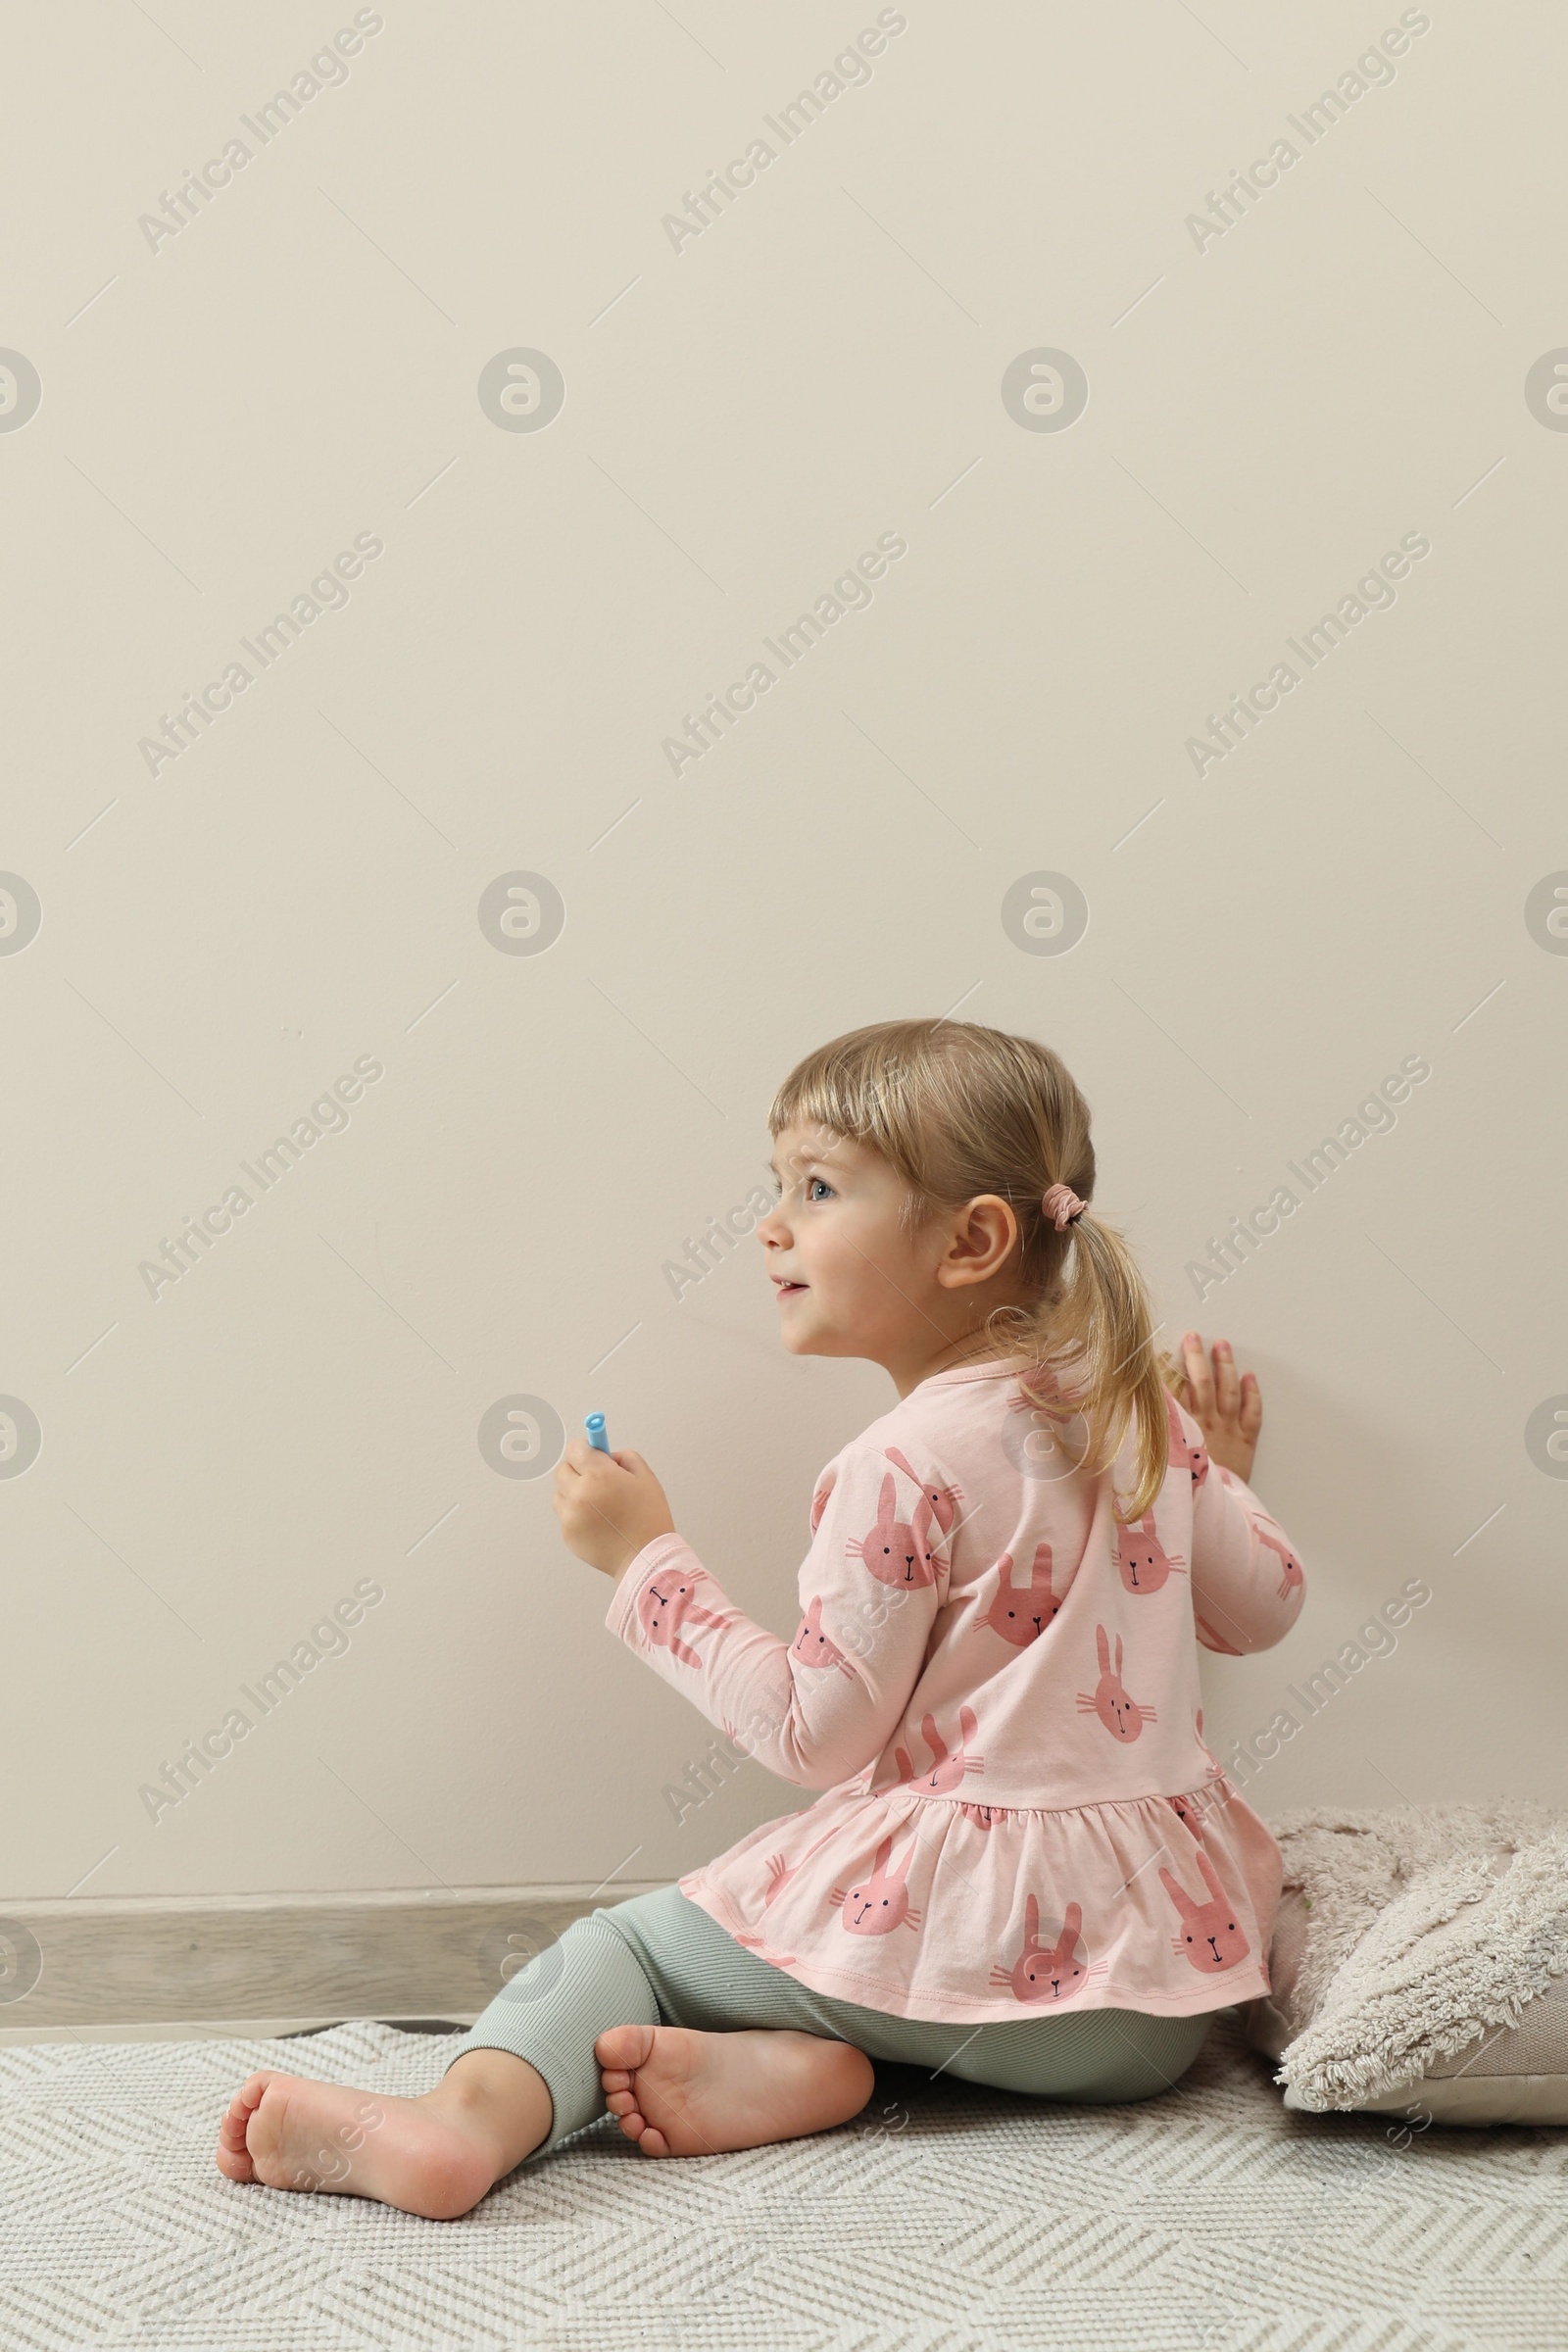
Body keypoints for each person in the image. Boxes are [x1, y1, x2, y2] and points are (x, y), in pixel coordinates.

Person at [216, 1017, 1305, 2216]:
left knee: (623, 1953)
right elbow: (1264, 1611)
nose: (770, 1224)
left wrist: (645, 1563)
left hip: (1000, 1960)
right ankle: (814, 2071)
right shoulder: (1142, 1419)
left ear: (973, 1240)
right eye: (777, 1187)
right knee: (881, 1982)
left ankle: (455, 2129)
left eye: (818, 1187)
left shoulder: (902, 1463)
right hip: (1154, 2011)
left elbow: (816, 1737)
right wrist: (1221, 1471)